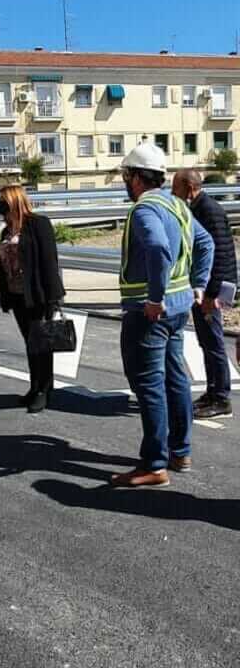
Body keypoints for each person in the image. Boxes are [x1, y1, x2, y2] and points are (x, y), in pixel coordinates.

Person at [111, 143, 213, 489]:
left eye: (127, 176)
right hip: (179, 308)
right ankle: (180, 452)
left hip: (149, 312)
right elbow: (206, 244)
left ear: (138, 178)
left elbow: (157, 248)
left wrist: (154, 298)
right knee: (175, 378)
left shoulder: (144, 210)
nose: (126, 182)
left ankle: (154, 464)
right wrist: (197, 284)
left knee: (149, 384)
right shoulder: (178, 205)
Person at [171, 168, 237, 420]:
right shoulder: (199, 207)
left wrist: (210, 295)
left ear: (189, 187)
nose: (172, 192)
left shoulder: (208, 210)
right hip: (206, 288)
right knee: (207, 342)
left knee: (214, 343)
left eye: (175, 187)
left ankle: (221, 398)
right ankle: (212, 393)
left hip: (211, 290)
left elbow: (219, 253)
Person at [0, 184, 66, 414]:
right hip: (17, 296)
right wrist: (4, 297)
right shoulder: (6, 231)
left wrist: (53, 298)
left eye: (4, 201)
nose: (0, 206)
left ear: (15, 201)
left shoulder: (38, 224)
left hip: (37, 296)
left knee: (41, 344)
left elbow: (49, 262)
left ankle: (44, 390)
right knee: (30, 343)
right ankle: (35, 385)